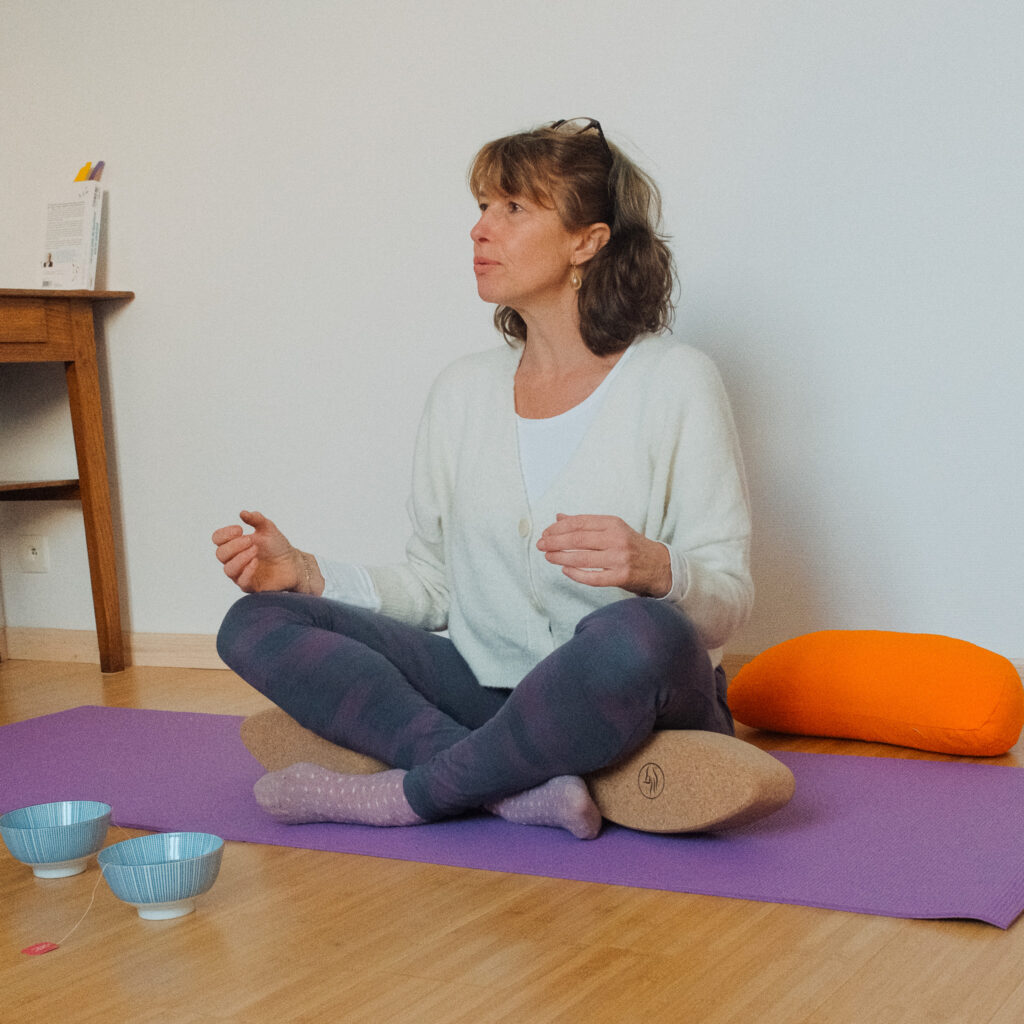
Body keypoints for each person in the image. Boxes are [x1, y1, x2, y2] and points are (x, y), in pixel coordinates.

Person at [213, 117, 792, 841]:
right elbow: (432, 589)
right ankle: (516, 781)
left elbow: (728, 602)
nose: (480, 230)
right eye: (482, 207)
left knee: (636, 633)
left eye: (513, 208)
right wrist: (306, 572)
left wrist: (658, 567)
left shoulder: (676, 381)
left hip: (632, 687)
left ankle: (411, 792)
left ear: (588, 239)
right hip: (483, 690)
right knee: (255, 623)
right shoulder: (460, 391)